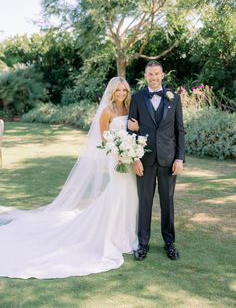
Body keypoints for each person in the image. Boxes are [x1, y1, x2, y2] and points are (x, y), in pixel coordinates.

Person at [0, 77, 139, 279]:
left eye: (124, 90)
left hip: (131, 158)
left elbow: (137, 131)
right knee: (118, 195)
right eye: (118, 90)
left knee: (130, 196)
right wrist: (121, 149)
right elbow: (104, 139)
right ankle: (113, 238)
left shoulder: (130, 109)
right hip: (116, 159)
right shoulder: (107, 112)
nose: (121, 93)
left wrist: (132, 145)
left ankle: (128, 235)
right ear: (112, 92)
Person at [128, 61, 185, 261]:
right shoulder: (137, 98)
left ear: (163, 75)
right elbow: (130, 130)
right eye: (150, 74)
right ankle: (143, 244)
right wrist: (134, 158)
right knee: (144, 203)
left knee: (167, 202)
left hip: (169, 160)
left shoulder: (174, 98)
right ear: (145, 76)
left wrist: (180, 158)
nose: (154, 77)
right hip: (144, 159)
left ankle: (169, 243)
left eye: (157, 74)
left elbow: (179, 130)